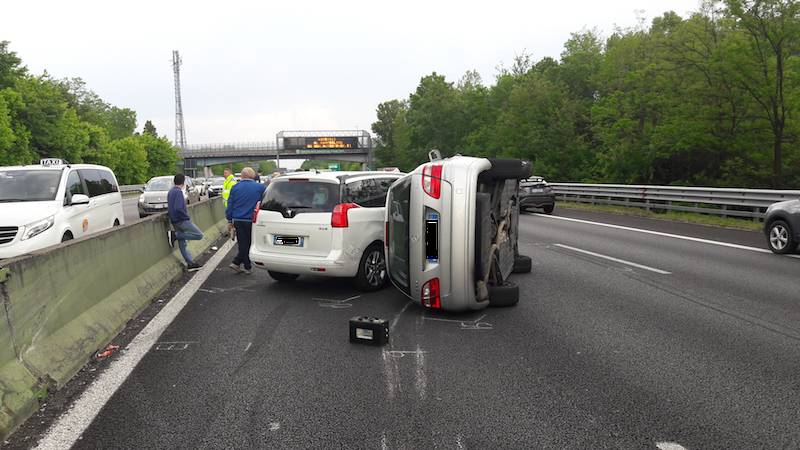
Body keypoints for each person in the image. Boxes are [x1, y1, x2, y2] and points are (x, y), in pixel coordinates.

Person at [226, 167, 266, 274]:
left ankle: (237, 262)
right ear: (252, 176)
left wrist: (229, 220)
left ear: (242, 176)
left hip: (238, 219)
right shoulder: (260, 187)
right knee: (249, 243)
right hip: (252, 220)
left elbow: (230, 205)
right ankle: (246, 266)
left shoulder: (235, 188)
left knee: (243, 243)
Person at [167, 173, 204, 272]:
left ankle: (190, 263)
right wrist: (186, 216)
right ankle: (176, 235)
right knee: (199, 235)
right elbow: (179, 208)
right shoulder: (178, 192)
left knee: (182, 244)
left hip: (174, 220)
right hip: (181, 220)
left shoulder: (171, 192)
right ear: (183, 182)